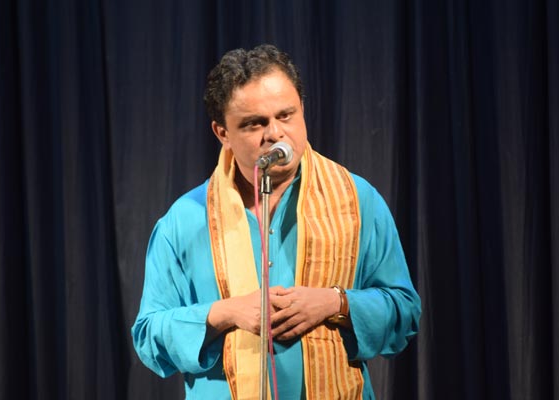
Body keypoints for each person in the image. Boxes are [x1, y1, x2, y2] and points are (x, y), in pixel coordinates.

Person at [131, 44, 421, 399]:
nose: (275, 134)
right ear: (222, 133)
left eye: (286, 115)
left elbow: (404, 311)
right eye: (254, 123)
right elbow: (149, 336)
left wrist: (336, 303)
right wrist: (224, 313)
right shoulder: (184, 220)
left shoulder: (357, 199)